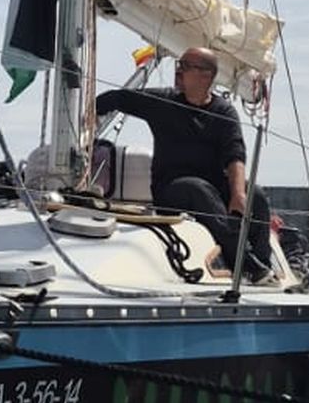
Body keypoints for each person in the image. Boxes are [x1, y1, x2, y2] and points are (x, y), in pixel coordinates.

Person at [95, 47, 271, 274]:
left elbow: (235, 154)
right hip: (171, 191)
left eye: (185, 66)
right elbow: (115, 98)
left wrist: (238, 195)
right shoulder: (164, 102)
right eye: (179, 65)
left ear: (206, 75)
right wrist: (91, 117)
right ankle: (243, 261)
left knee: (254, 193)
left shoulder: (224, 112)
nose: (178, 71)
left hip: (212, 189)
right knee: (196, 188)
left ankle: (264, 263)